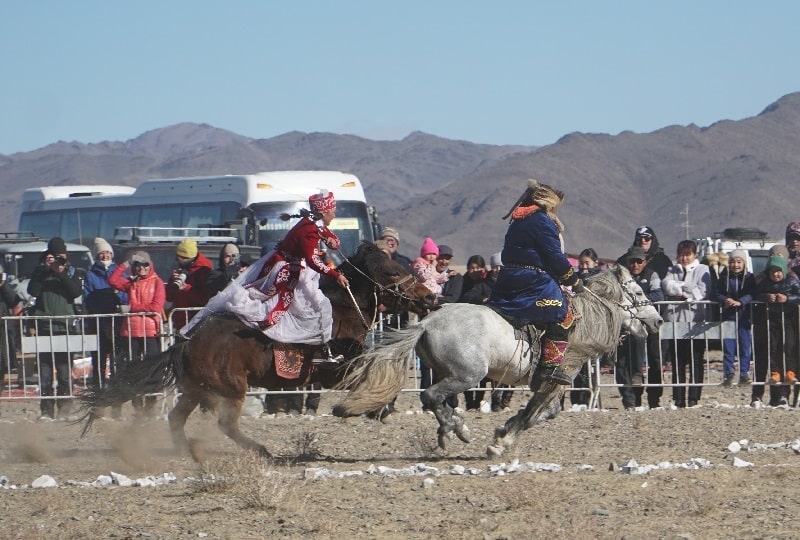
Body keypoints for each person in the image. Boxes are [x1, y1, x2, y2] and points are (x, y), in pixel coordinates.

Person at [187, 190, 350, 365]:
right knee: (316, 306)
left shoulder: (313, 224)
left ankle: (316, 350)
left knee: (315, 305)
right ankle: (306, 352)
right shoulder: (309, 230)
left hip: (295, 267)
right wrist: (335, 275)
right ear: (324, 212)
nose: (334, 213)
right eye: (333, 210)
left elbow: (330, 238)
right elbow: (312, 260)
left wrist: (332, 241)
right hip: (287, 270)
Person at [487, 178, 583, 386]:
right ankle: (547, 371)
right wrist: (573, 280)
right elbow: (554, 257)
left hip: (508, 279)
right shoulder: (542, 221)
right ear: (548, 204)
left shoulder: (517, 221)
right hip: (532, 281)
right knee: (564, 314)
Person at [27, 237, 84, 420]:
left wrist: (61, 272)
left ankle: (64, 409)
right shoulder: (40, 272)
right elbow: (33, 291)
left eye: (61, 256)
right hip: (44, 326)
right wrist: (45, 271)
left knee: (64, 372)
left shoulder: (71, 271)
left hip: (64, 326)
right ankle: (46, 411)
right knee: (44, 373)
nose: (58, 260)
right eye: (54, 256)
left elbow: (75, 292)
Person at [108, 250, 166, 415]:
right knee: (132, 368)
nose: (141, 268)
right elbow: (112, 280)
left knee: (152, 368)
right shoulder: (131, 283)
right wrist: (126, 263)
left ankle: (150, 404)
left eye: (145, 264)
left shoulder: (157, 283)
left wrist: (131, 309)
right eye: (138, 265)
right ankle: (137, 404)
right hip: (130, 332)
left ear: (150, 266)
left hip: (149, 332)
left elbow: (155, 307)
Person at [661, 240, 711, 407]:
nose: (684, 258)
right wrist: (685, 289)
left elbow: (701, 291)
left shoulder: (703, 269)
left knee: (696, 360)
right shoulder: (672, 269)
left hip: (695, 322)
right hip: (675, 322)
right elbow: (667, 285)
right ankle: (679, 397)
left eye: (688, 254)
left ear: (695, 255)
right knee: (677, 361)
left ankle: (694, 397)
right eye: (681, 254)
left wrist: (681, 288)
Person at [616, 246, 664, 409]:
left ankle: (654, 398)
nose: (635, 264)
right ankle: (630, 400)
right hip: (627, 326)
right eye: (632, 261)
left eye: (639, 261)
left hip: (649, 325)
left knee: (654, 361)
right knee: (624, 363)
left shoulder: (652, 275)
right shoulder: (622, 277)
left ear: (645, 262)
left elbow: (659, 295)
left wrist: (638, 301)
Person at [83, 238, 127, 408]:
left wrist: (117, 298)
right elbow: (88, 298)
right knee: (98, 364)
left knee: (117, 364)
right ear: (97, 255)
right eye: (102, 253)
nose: (105, 255)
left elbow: (125, 294)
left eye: (108, 253)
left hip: (117, 323)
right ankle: (98, 403)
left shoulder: (120, 272)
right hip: (99, 324)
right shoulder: (91, 274)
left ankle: (117, 405)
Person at [755, 255, 800, 407]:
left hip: (788, 320)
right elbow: (757, 294)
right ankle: (775, 372)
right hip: (772, 319)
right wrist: (767, 297)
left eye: (778, 271)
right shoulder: (765, 283)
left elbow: (798, 296)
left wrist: (787, 299)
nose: (776, 274)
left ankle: (791, 372)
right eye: (773, 272)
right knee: (773, 347)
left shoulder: (792, 281)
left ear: (784, 271)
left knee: (789, 347)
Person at [711, 249, 756, 387]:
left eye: (739, 262)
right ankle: (728, 374)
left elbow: (753, 293)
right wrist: (726, 299)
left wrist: (741, 301)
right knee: (728, 346)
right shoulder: (723, 278)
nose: (736, 265)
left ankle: (744, 373)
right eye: (733, 262)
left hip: (744, 317)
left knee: (744, 346)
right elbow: (715, 294)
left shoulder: (749, 278)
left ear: (744, 263)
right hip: (728, 316)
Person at [166, 239, 213, 329]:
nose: (178, 261)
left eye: (181, 258)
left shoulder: (204, 271)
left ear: (189, 259)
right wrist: (173, 280)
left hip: (197, 324)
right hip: (180, 322)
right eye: (177, 257)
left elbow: (205, 299)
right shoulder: (180, 268)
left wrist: (186, 288)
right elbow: (169, 297)